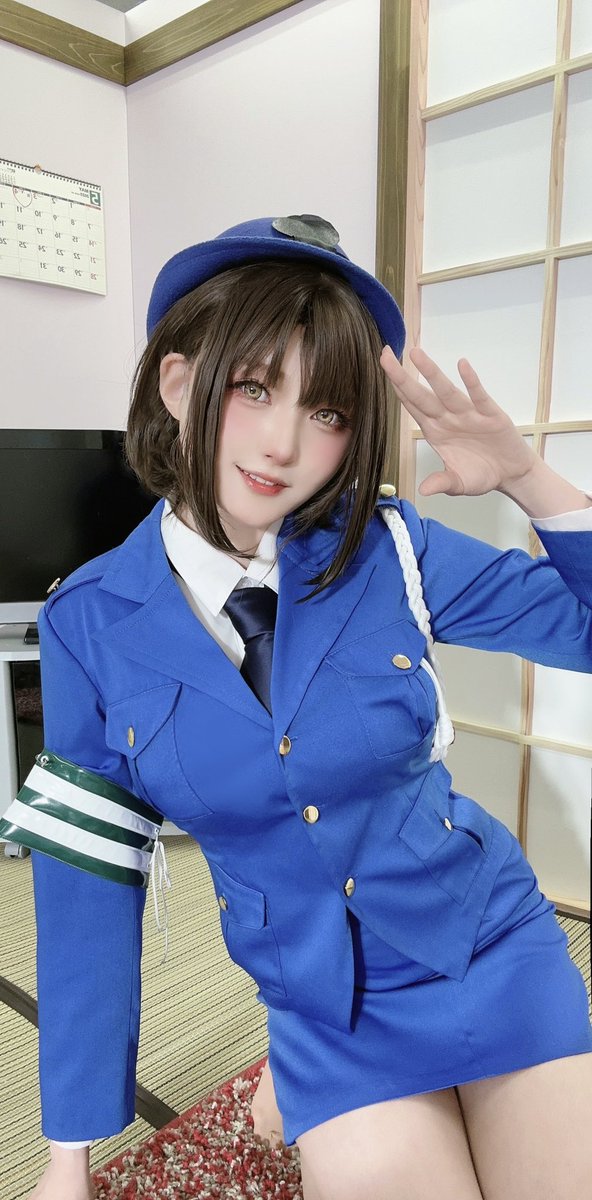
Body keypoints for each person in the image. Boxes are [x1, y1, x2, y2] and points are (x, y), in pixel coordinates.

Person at [3, 214, 591, 1200]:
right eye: (253, 387)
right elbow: (86, 888)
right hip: (327, 1009)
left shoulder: (390, 549)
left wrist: (529, 476)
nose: (284, 444)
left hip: (485, 942)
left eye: (328, 412)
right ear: (180, 384)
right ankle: (296, 1082)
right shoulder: (87, 625)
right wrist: (69, 1159)